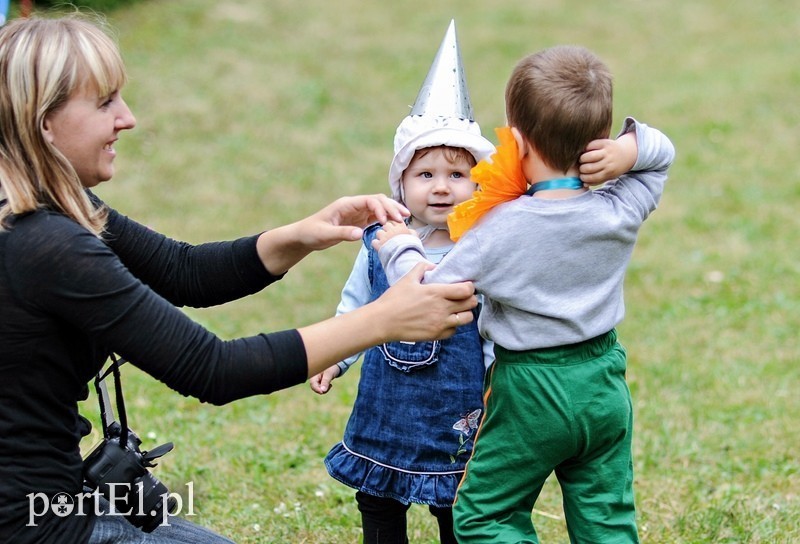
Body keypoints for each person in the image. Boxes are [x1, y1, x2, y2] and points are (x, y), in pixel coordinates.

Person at [0, 14, 479, 544]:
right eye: (105, 101)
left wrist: (303, 233)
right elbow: (214, 370)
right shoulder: (45, 243)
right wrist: (382, 320)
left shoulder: (49, 208)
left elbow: (183, 272)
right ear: (44, 122)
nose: (128, 117)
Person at [374, 45, 675, 543]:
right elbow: (661, 158)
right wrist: (630, 151)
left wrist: (399, 247)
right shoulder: (621, 204)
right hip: (603, 381)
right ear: (599, 139)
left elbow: (430, 289)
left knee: (486, 517)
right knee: (605, 514)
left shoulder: (503, 228)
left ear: (516, 141)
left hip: (531, 390)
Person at [309, 21, 494, 544]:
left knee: (453, 502)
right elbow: (357, 302)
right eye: (426, 175)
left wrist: (498, 376)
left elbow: (499, 320)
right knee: (378, 498)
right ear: (400, 184)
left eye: (457, 176)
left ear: (477, 185)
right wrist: (336, 354)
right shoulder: (379, 239)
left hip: (457, 406)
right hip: (385, 402)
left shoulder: (481, 248)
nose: (441, 188)